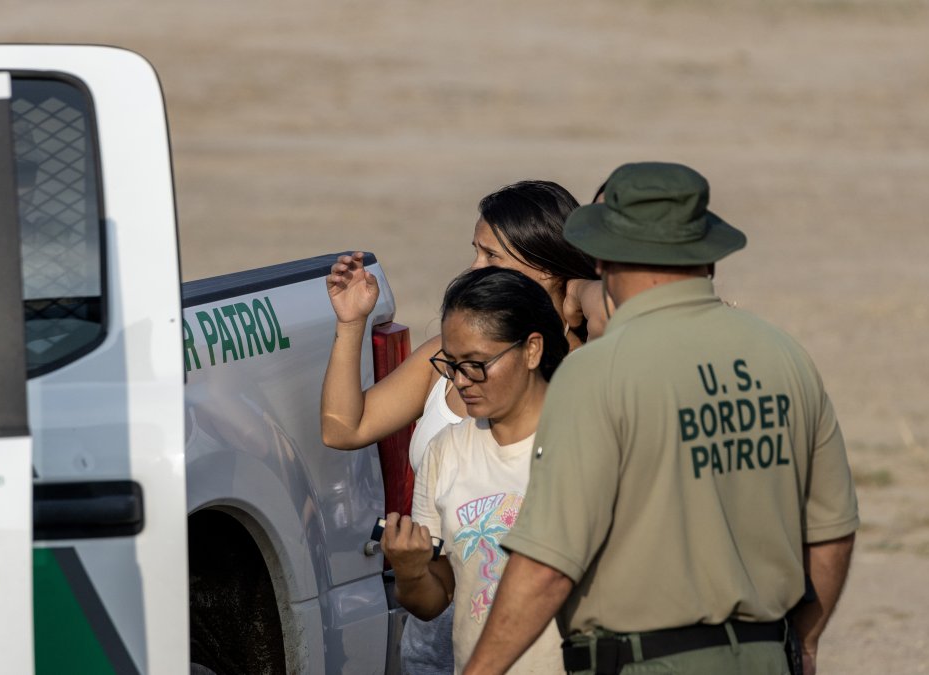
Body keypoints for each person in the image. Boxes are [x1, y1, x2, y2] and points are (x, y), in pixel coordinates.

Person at [462, 162, 859, 675]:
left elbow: (546, 565)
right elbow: (830, 532)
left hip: (645, 660)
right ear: (706, 254)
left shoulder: (597, 374)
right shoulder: (783, 357)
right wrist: (801, 645)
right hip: (767, 655)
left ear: (603, 256)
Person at [321, 181, 605, 675]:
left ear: (548, 268)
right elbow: (345, 427)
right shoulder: (446, 356)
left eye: (492, 258)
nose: (475, 269)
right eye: (475, 252)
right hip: (439, 641)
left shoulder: (587, 371)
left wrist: (578, 289)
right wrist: (351, 324)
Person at [380, 267, 570, 675]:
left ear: (532, 350)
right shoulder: (446, 451)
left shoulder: (587, 438)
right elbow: (438, 597)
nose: (462, 380)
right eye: (451, 363)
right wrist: (411, 571)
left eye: (477, 363)